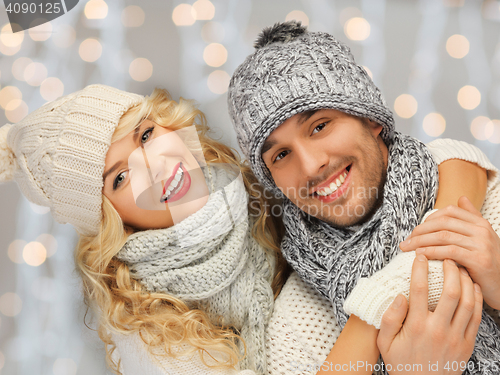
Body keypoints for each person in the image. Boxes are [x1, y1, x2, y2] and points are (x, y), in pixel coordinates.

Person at [0, 84, 488, 375]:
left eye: (146, 135)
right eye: (121, 177)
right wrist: (386, 324)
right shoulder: (148, 331)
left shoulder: (252, 184)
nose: (156, 164)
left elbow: (430, 160)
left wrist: (417, 261)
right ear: (110, 220)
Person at [227, 21, 500, 374]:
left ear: (371, 119)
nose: (311, 166)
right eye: (280, 155)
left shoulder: (487, 213)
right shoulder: (296, 327)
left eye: (320, 125)